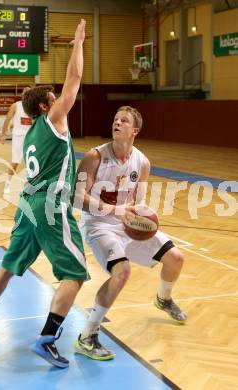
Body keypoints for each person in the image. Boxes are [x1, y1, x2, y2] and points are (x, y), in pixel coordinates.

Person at [0, 19, 88, 369]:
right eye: (52, 98)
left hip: (28, 204)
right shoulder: (53, 120)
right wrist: (78, 42)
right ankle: (47, 338)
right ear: (44, 107)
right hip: (50, 205)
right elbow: (75, 81)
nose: (59, 100)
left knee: (9, 264)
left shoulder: (34, 132)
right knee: (76, 274)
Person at [73, 105, 187, 360]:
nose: (117, 123)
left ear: (134, 130)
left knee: (176, 258)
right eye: (115, 119)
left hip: (126, 225)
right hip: (98, 225)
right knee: (122, 271)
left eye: (123, 121)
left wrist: (141, 215)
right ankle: (87, 336)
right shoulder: (94, 157)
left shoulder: (142, 162)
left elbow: (138, 202)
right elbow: (77, 198)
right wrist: (117, 210)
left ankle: (163, 299)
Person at [0, 86, 33, 194]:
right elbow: (7, 119)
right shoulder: (16, 105)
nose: (26, 94)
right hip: (18, 137)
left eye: (29, 92)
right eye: (25, 92)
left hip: (31, 137)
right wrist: (4, 134)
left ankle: (30, 185)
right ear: (22, 95)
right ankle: (8, 184)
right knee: (15, 162)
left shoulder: (34, 107)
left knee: (31, 163)